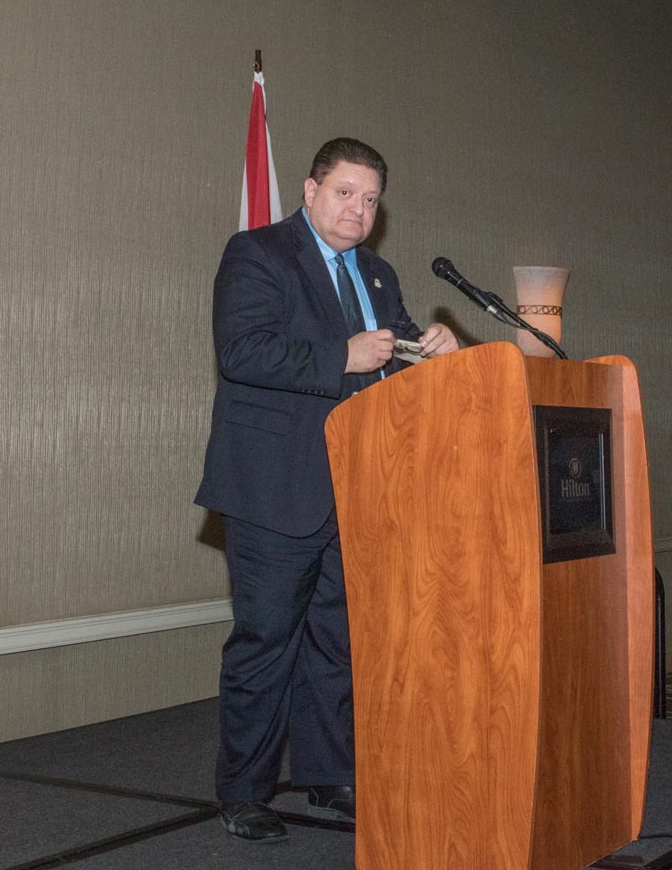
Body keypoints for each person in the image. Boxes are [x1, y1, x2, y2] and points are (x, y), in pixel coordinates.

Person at [195, 137, 459, 843]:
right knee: (266, 640)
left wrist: (433, 351)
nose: (358, 210)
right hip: (273, 487)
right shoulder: (257, 254)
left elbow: (392, 359)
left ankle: (330, 773)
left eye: (370, 200)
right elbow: (243, 351)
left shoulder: (377, 274)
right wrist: (341, 354)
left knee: (338, 640)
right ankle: (244, 791)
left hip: (358, 486)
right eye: (345, 193)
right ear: (310, 192)